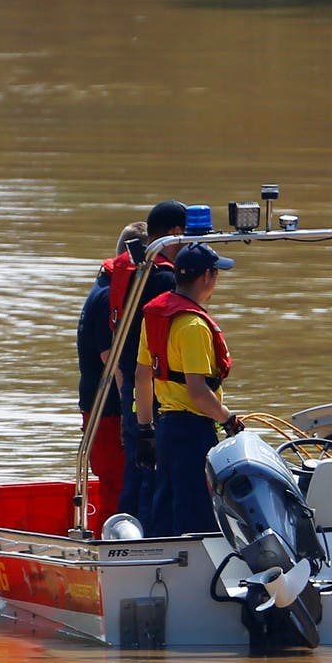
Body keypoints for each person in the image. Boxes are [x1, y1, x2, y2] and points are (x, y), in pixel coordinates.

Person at [134, 241, 241, 536]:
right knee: (197, 516)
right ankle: (198, 576)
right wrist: (229, 420)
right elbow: (197, 391)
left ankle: (159, 573)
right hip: (193, 432)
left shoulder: (156, 317)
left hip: (165, 429)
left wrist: (144, 430)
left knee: (165, 510)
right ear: (207, 276)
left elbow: (142, 377)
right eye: (216, 274)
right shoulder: (193, 325)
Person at [106, 201, 190, 522]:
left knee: (137, 472)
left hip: (132, 387)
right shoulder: (164, 280)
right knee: (155, 477)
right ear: (175, 233)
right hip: (153, 393)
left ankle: (124, 531)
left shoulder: (137, 272)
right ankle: (149, 540)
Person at [74, 220, 148, 529]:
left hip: (103, 410)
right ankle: (111, 552)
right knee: (117, 488)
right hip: (109, 414)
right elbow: (113, 363)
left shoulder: (104, 288)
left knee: (119, 485)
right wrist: (132, 418)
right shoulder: (108, 299)